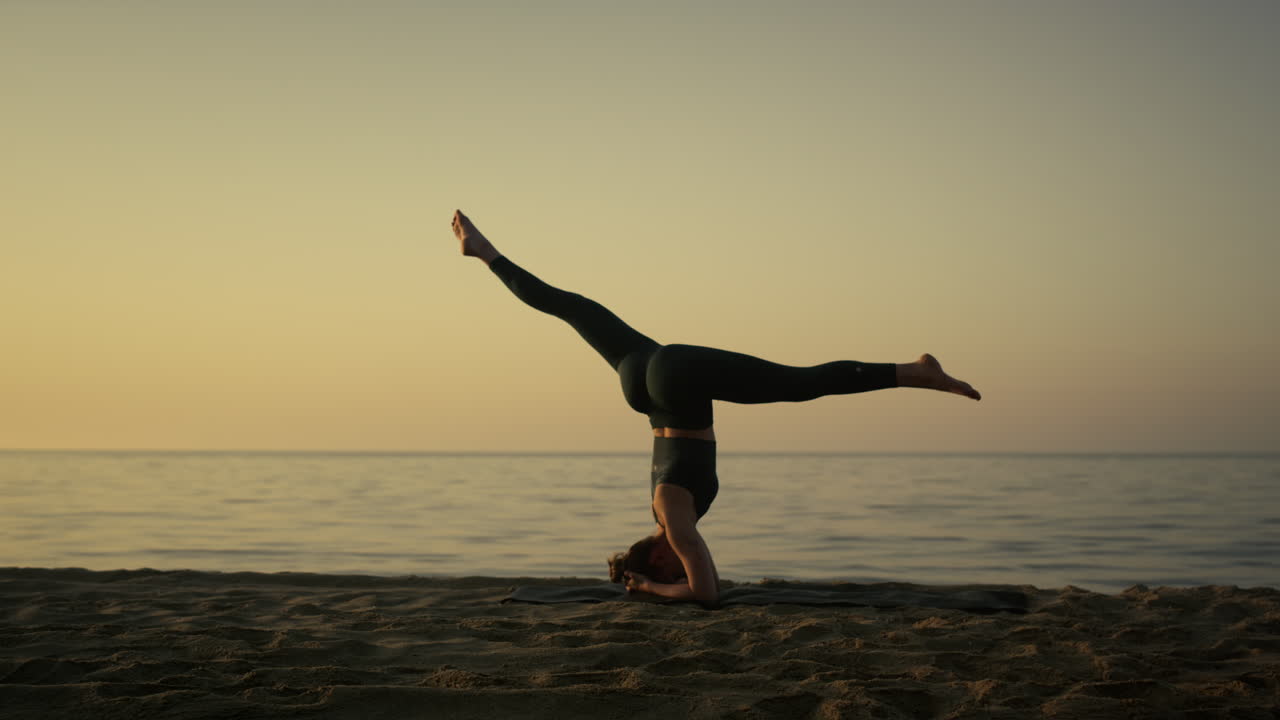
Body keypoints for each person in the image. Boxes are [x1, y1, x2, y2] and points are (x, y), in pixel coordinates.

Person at [452, 210, 980, 609]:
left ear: (657, 555)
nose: (683, 561)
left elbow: (706, 594)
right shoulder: (661, 506)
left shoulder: (678, 526)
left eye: (670, 565)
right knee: (572, 307)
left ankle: (914, 373)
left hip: (676, 381)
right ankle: (485, 252)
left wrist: (656, 588)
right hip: (644, 381)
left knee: (799, 383)